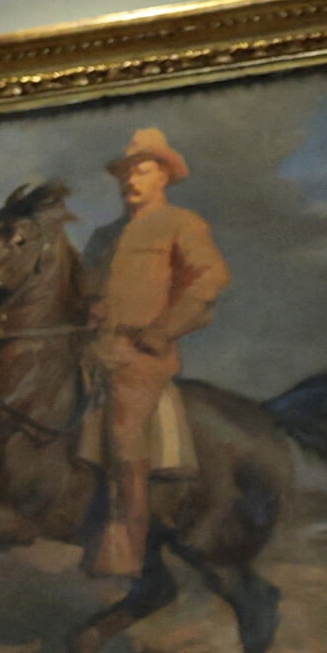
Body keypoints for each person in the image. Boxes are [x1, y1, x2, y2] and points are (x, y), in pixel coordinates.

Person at [79, 126, 229, 580]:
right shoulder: (103, 237)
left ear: (164, 176)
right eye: (125, 173)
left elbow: (210, 279)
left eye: (141, 171)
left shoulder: (182, 223)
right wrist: (88, 311)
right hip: (93, 346)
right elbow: (85, 291)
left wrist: (165, 331)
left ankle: (129, 538)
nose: (130, 181)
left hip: (142, 353)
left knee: (125, 430)